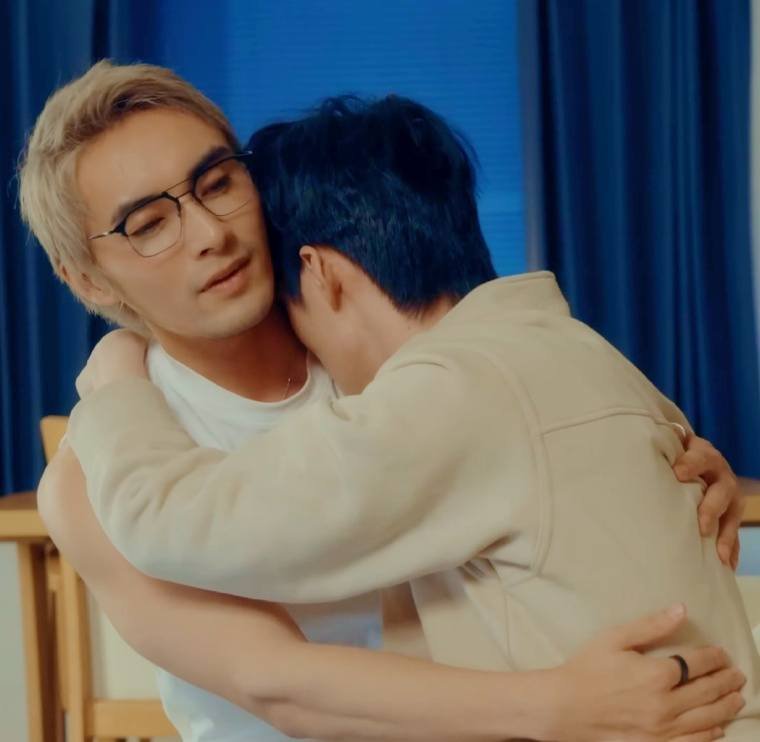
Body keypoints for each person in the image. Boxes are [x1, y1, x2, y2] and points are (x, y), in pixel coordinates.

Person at [22, 62, 746, 741]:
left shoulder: (385, 345)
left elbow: (529, 423)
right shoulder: (99, 477)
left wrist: (655, 465)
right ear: (87, 280)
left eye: (217, 183)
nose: (211, 234)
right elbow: (278, 683)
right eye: (148, 224)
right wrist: (558, 704)